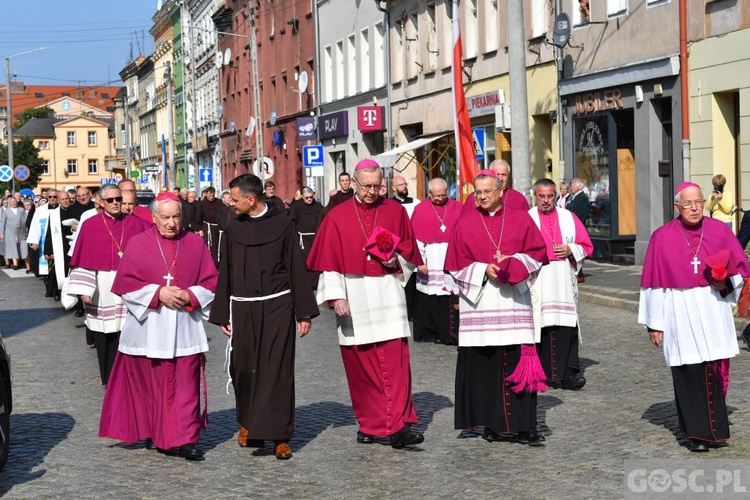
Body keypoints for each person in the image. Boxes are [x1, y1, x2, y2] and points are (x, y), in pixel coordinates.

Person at [307, 158, 425, 449]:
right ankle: (370, 425)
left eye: (377, 186)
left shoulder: (395, 211)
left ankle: (397, 426)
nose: (373, 192)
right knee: (361, 368)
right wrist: (336, 296)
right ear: (355, 184)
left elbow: (410, 252)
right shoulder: (337, 216)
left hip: (387, 293)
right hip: (354, 295)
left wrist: (396, 260)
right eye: (367, 186)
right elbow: (330, 263)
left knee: (396, 365)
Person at [99, 193, 218, 461]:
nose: (172, 223)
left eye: (176, 217)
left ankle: (187, 440)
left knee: (187, 387)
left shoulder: (195, 244)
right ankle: (158, 434)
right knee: (151, 388)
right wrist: (158, 295)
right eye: (165, 217)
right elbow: (126, 286)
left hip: (185, 328)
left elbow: (212, 282)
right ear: (154, 217)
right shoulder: (138, 244)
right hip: (149, 328)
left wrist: (191, 296)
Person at [209, 173, 319, 460]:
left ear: (251, 199)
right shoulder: (233, 227)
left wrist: (303, 312)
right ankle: (249, 425)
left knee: (277, 370)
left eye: (234, 199)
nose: (230, 204)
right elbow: (226, 271)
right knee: (244, 369)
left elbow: (296, 266)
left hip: (278, 305)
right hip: (243, 307)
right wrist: (222, 312)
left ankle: (281, 436)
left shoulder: (284, 224)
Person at [639, 182, 750, 452]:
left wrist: (724, 282)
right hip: (679, 308)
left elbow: (738, 273)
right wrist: (655, 323)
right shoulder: (661, 237)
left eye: (698, 202)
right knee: (688, 371)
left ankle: (715, 431)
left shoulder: (720, 231)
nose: (694, 208)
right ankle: (695, 435)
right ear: (677, 207)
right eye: (687, 203)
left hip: (713, 307)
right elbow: (654, 284)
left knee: (713, 369)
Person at [444, 169, 549, 446]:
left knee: (518, 363)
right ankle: (490, 423)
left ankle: (525, 426)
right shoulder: (465, 223)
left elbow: (538, 255)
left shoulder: (520, 219)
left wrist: (512, 265)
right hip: (480, 306)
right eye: (477, 192)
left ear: (501, 191)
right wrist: (482, 270)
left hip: (513, 302)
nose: (481, 197)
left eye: (487, 192)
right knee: (485, 366)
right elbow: (454, 265)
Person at [63, 185, 151, 385]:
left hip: (130, 283)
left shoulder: (137, 224)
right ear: (101, 202)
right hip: (101, 284)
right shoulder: (91, 225)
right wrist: (83, 290)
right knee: (105, 333)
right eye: (110, 200)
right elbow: (83, 259)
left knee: (132, 330)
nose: (115, 203)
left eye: (118, 199)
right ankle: (109, 378)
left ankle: (132, 376)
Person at [529, 179, 593, 390]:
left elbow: (586, 245)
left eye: (550, 196)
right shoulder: (527, 219)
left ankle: (567, 374)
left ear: (555, 196)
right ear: (535, 196)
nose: (546, 201)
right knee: (541, 327)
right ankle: (540, 374)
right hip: (538, 279)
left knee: (566, 326)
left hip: (563, 279)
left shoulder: (568, 217)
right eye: (541, 196)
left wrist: (570, 250)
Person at [410, 177, 461, 344]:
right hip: (430, 257)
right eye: (436, 195)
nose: (440, 198)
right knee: (429, 295)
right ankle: (429, 332)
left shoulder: (456, 207)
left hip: (449, 256)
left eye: (443, 195)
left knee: (449, 296)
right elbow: (416, 239)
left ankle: (450, 333)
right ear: (428, 193)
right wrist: (420, 261)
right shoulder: (421, 209)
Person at [460, 159, 530, 216]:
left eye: (504, 174)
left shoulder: (518, 198)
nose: (500, 178)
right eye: (497, 174)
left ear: (508, 176)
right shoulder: (473, 197)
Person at [289, 186, 323, 289]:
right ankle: (305, 283)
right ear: (302, 197)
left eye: (311, 197)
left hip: (315, 238)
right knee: (303, 261)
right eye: (307, 198)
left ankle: (315, 283)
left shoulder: (318, 207)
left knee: (315, 259)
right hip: (302, 239)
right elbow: (292, 222)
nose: (309, 199)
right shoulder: (296, 207)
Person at [566, 178, 590, 283]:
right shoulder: (575, 197)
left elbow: (573, 210)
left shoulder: (581, 197)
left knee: (576, 250)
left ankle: (579, 274)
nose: (571, 188)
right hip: (573, 226)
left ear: (577, 186)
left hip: (577, 227)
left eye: (572, 185)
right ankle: (577, 272)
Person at [193, 186, 222, 264]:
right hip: (207, 227)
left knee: (217, 245)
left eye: (213, 195)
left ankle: (217, 261)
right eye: (210, 195)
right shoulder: (202, 204)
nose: (211, 197)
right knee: (209, 245)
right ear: (207, 194)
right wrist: (199, 229)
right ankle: (208, 262)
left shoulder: (219, 202)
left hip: (217, 227)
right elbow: (199, 216)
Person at [1, 196, 24, 270]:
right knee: (13, 247)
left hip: (20, 231)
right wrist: (1, 233)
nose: (13, 203)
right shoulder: (6, 211)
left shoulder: (21, 210)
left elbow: (24, 221)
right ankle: (15, 264)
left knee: (19, 247)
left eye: (15, 201)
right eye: (12, 202)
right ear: (9, 203)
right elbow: (2, 223)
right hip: (9, 232)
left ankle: (17, 262)